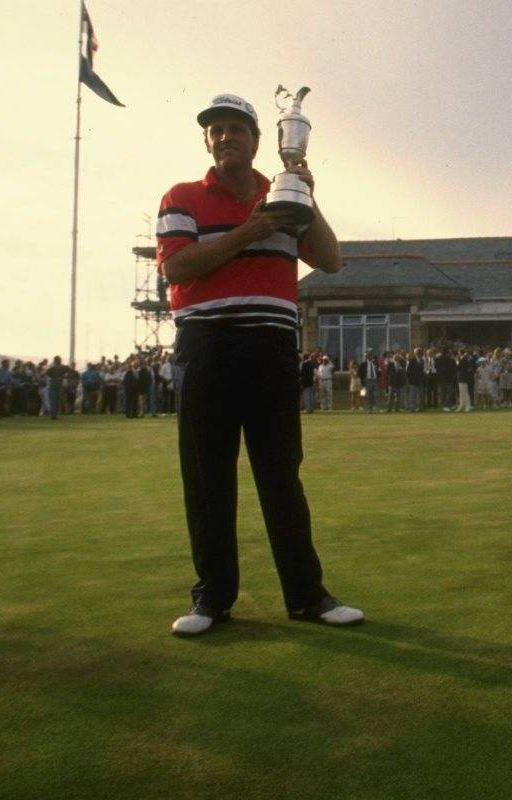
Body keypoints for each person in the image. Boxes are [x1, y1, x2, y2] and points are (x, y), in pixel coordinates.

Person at [157, 91, 362, 636]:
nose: (225, 137)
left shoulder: (284, 195)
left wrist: (306, 195)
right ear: (208, 141)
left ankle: (307, 596)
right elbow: (177, 268)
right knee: (208, 479)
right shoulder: (182, 196)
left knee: (280, 477)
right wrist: (251, 230)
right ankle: (212, 600)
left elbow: (332, 260)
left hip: (271, 347)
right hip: (207, 345)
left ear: (256, 140)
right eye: (215, 130)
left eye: (235, 129)